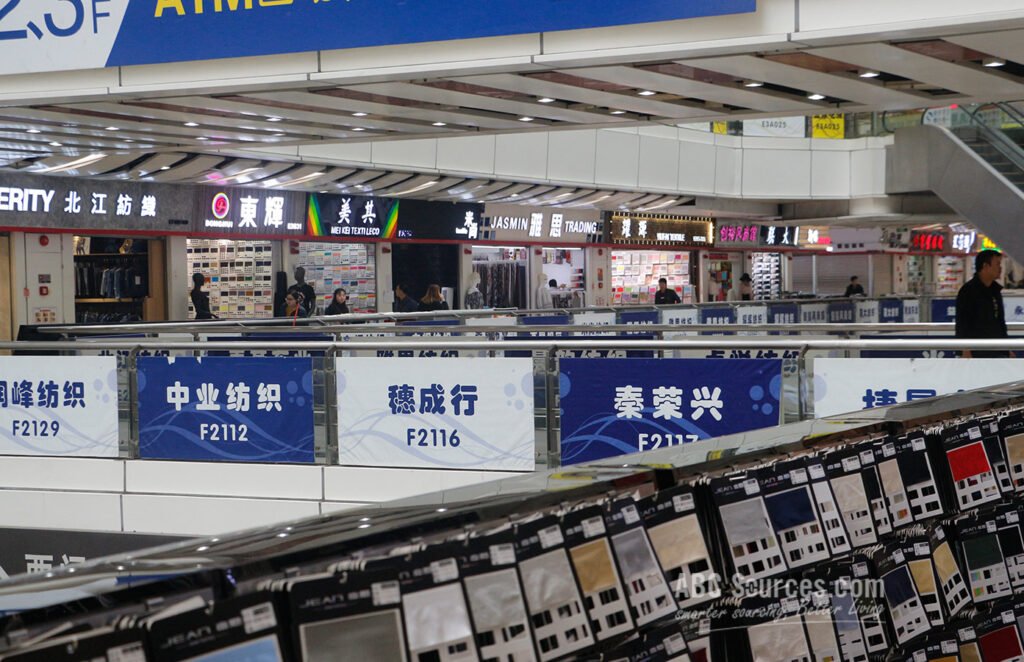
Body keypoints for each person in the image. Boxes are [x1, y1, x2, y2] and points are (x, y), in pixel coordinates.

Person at [956, 249, 1010, 358]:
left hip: (996, 350)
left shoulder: (995, 291)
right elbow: (963, 323)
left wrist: (1007, 349)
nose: (1000, 268)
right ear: (985, 266)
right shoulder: (968, 291)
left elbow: (1000, 323)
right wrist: (965, 349)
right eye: (997, 264)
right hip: (976, 351)